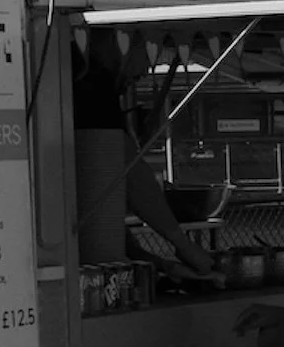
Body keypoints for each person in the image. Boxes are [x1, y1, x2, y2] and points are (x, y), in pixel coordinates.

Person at [73, 29, 217, 283]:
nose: (148, 69)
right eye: (150, 49)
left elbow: (107, 224)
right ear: (121, 42)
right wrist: (183, 245)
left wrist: (164, 267)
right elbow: (133, 176)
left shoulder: (73, 75)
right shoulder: (89, 80)